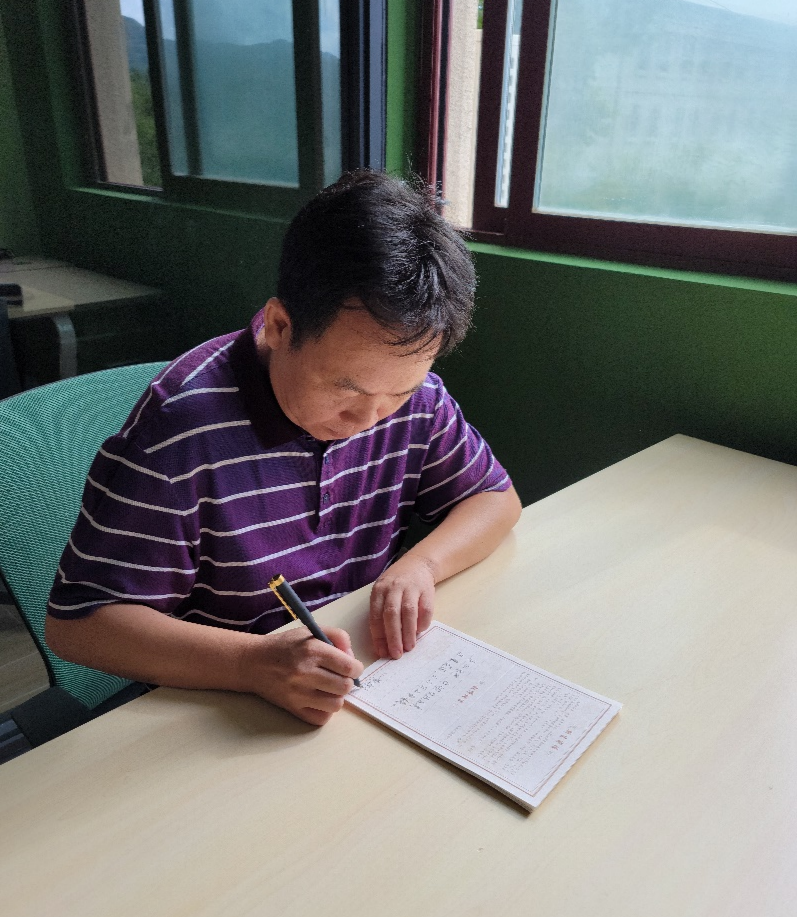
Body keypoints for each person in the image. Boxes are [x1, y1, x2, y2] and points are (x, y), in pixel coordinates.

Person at [46, 170, 522, 725]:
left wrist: (419, 566)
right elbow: (80, 625)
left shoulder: (417, 400)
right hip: (220, 704)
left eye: (399, 392)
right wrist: (251, 663)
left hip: (349, 683)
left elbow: (495, 499)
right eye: (346, 388)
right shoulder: (179, 433)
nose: (368, 419)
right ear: (279, 326)